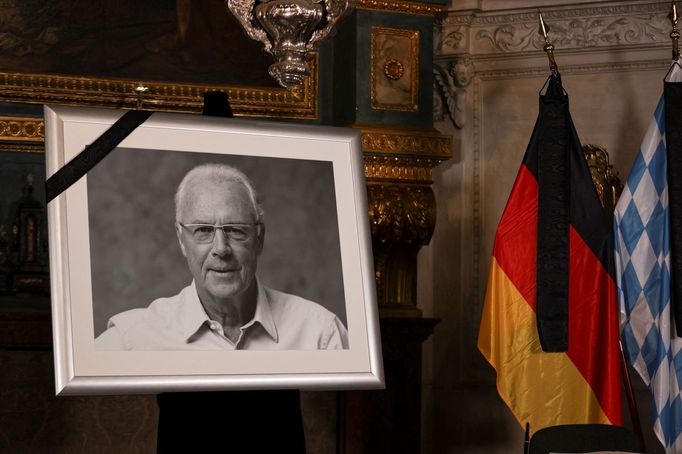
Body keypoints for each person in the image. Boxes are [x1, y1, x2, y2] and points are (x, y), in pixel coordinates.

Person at [95, 163, 349, 350]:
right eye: (203, 230)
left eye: (236, 230)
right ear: (181, 239)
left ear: (259, 238)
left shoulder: (320, 333)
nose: (221, 248)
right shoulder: (133, 337)